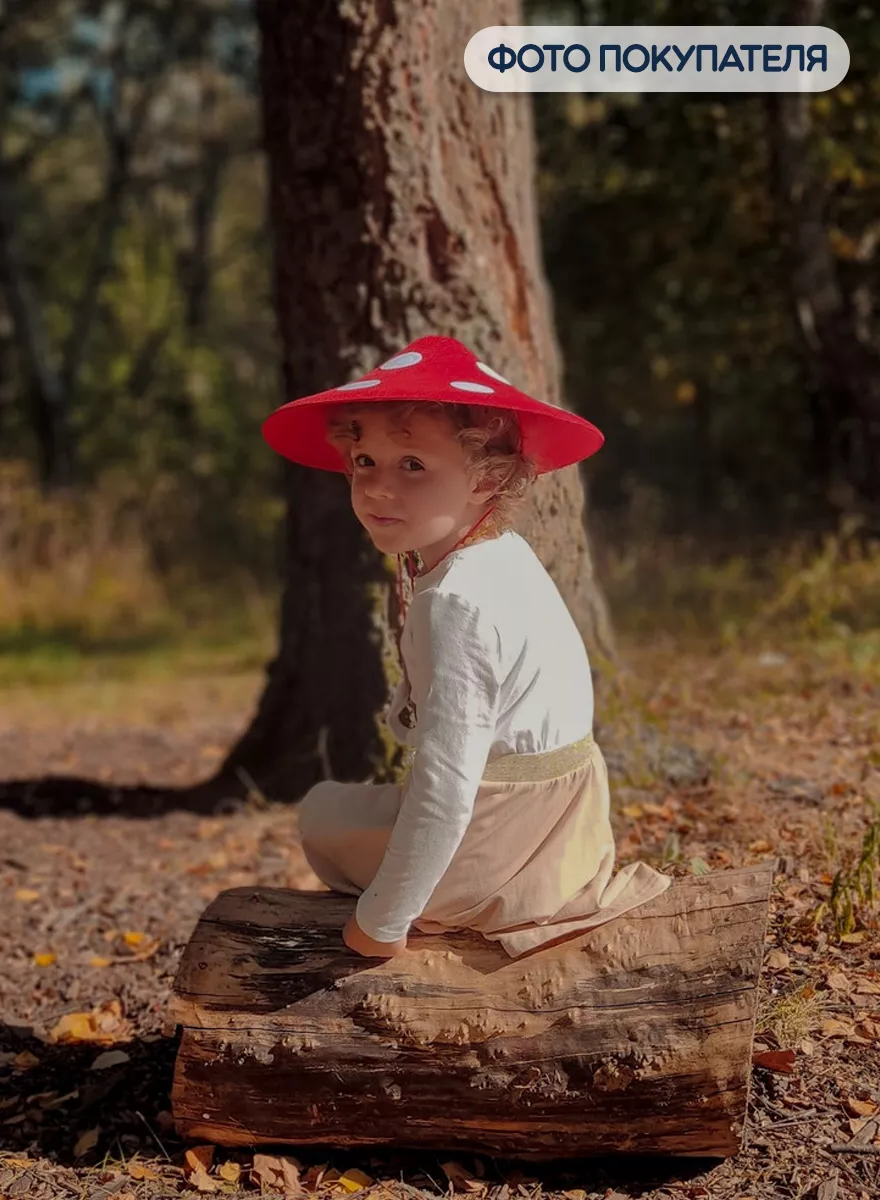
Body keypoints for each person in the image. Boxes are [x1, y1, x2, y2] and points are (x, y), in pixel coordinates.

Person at [261, 334, 671, 959]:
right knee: (338, 805)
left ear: (488, 478)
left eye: (413, 465)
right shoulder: (498, 555)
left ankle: (447, 906)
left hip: (502, 851)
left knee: (322, 817)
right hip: (569, 834)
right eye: (364, 461)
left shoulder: (455, 601)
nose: (376, 488)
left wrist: (382, 921)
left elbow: (446, 785)